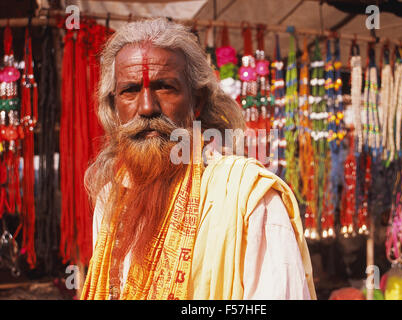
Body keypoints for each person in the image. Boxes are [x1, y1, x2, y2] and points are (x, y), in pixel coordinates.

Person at [81, 18, 316, 300]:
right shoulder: (112, 200)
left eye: (164, 87)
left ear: (198, 102)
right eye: (130, 90)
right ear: (114, 107)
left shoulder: (250, 199)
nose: (146, 107)